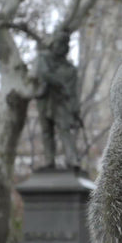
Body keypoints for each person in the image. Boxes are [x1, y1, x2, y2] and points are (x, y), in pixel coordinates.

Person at [35, 31, 81, 169]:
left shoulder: (70, 68)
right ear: (53, 44)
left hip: (61, 102)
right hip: (45, 98)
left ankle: (72, 160)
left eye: (63, 45)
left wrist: (75, 110)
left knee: (64, 128)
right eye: (58, 44)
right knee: (46, 130)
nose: (60, 47)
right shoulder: (43, 58)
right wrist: (60, 83)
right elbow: (44, 73)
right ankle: (49, 160)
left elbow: (73, 92)